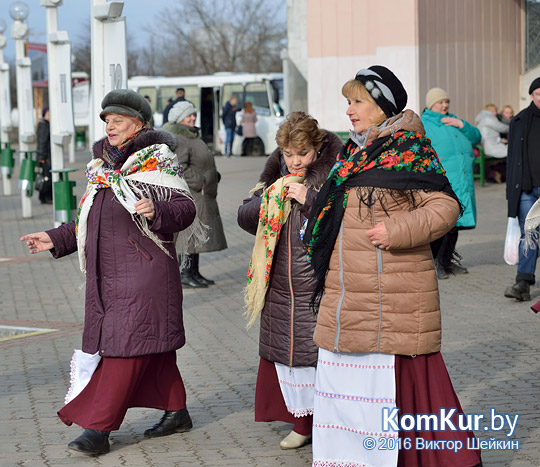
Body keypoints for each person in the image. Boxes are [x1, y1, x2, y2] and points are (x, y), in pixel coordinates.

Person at [304, 65, 482, 467]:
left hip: (393, 299)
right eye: (348, 102)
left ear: (382, 106)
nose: (349, 110)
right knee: (348, 389)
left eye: (358, 102)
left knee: (399, 387)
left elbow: (446, 206)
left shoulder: (410, 149)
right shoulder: (355, 152)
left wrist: (399, 229)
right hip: (349, 297)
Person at [20, 90, 204, 456]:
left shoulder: (157, 163)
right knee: (154, 348)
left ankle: (98, 428)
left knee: (124, 351)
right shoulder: (102, 170)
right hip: (109, 277)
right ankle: (176, 411)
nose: (110, 127)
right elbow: (87, 222)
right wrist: (53, 239)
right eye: (107, 121)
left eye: (118, 121)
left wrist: (158, 211)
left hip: (146, 277)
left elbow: (186, 208)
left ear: (140, 125)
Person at [237, 112, 340, 450]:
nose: (295, 161)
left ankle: (330, 422)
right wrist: (269, 199)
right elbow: (245, 217)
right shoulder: (275, 178)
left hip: (316, 281)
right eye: (288, 154)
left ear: (318, 149)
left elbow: (340, 222)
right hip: (280, 284)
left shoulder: (334, 177)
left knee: (320, 357)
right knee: (287, 356)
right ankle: (301, 423)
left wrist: (309, 201)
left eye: (303, 154)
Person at [163, 100, 227, 288]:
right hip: (192, 193)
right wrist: (202, 182)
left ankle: (194, 273)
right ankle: (184, 274)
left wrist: (213, 176)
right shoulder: (179, 138)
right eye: (189, 115)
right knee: (189, 234)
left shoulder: (191, 136)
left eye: (193, 114)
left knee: (197, 235)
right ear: (179, 118)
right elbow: (179, 166)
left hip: (202, 194)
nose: (193, 117)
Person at [421, 87, 481, 279]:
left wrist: (461, 124)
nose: (445, 105)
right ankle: (435, 263)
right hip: (443, 182)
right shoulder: (425, 124)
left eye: (446, 101)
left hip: (461, 181)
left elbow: (477, 137)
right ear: (431, 105)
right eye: (440, 102)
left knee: (456, 222)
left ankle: (446, 262)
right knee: (442, 224)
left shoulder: (454, 121)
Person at [504, 77, 540, 301]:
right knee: (529, 235)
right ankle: (523, 283)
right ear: (532, 96)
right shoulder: (519, 121)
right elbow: (512, 159)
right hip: (527, 189)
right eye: (538, 94)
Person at [475, 104, 509, 183]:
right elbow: (503, 128)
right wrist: (516, 126)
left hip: (487, 146)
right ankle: (500, 171)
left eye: (496, 111)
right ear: (488, 111)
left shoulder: (482, 119)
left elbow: (490, 135)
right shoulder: (488, 119)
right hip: (491, 148)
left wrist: (500, 140)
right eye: (493, 111)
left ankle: (497, 171)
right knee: (514, 151)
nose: (495, 113)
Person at [35, 107, 52, 204]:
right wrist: (42, 157)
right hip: (45, 157)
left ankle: (44, 197)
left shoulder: (46, 125)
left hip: (46, 155)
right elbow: (42, 142)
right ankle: (46, 197)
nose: (50, 117)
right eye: (48, 114)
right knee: (46, 177)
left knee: (45, 177)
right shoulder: (44, 125)